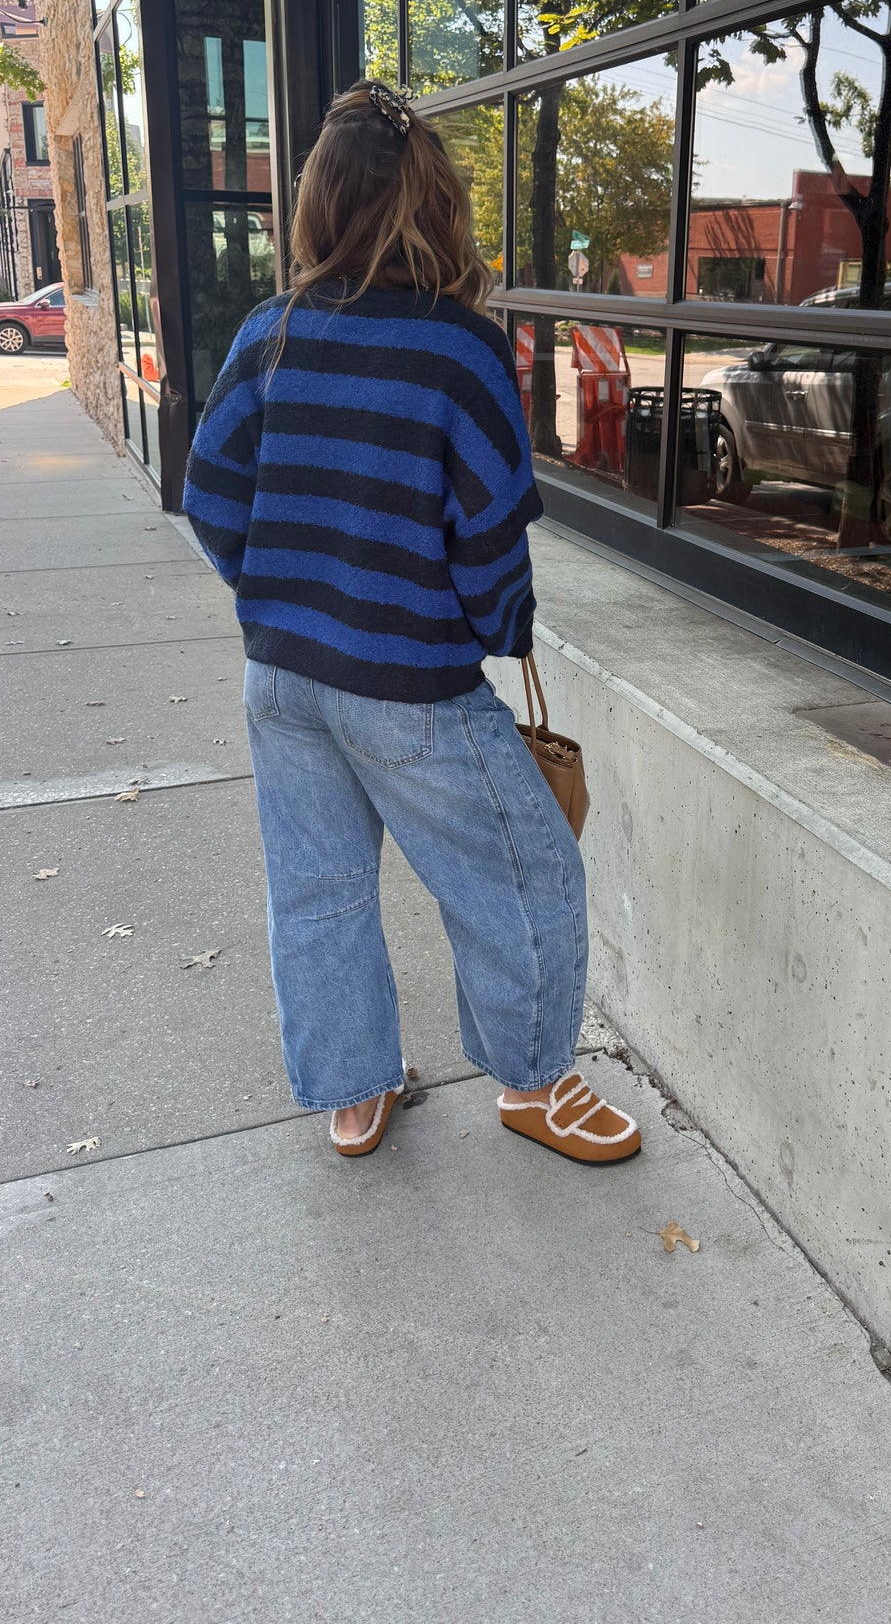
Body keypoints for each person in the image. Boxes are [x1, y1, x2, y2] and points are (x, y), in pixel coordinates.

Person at [183, 81, 639, 1166]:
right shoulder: (461, 349)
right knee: (529, 876)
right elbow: (490, 540)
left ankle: (351, 1096)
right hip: (412, 687)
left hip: (283, 678)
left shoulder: (270, 332)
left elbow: (208, 493)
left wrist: (280, 589)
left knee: (318, 887)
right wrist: (497, 625)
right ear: (434, 205)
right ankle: (532, 1085)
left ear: (319, 204)